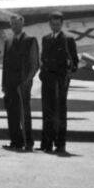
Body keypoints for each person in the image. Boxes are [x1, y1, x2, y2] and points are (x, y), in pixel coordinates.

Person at [38, 12, 78, 154]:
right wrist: (42, 74)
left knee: (60, 112)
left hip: (60, 81)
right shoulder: (45, 39)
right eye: (53, 24)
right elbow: (43, 58)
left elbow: (74, 62)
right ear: (49, 24)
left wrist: (66, 76)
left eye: (58, 24)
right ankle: (46, 143)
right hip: (47, 79)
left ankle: (60, 144)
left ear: (62, 24)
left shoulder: (68, 40)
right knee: (47, 111)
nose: (55, 26)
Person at [2, 14, 39, 152]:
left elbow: (35, 63)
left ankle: (27, 142)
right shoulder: (8, 41)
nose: (14, 26)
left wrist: (27, 81)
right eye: (12, 24)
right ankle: (15, 141)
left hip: (22, 84)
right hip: (10, 84)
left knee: (24, 114)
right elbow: (5, 64)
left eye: (17, 24)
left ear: (22, 24)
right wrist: (4, 84)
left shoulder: (30, 40)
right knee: (11, 113)